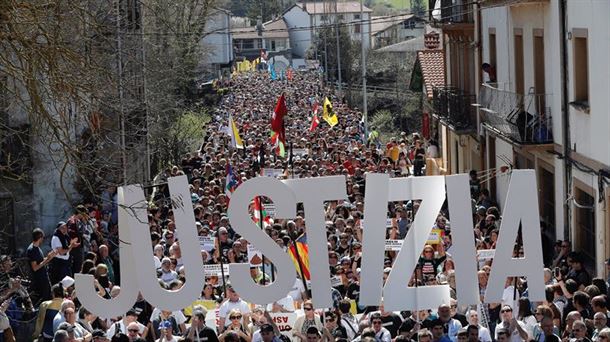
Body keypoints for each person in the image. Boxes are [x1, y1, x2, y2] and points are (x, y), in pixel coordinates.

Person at [27, 228, 57, 302]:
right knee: (44, 301)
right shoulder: (32, 250)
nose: (43, 239)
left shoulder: (37, 248)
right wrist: (47, 259)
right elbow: (35, 268)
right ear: (40, 237)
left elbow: (40, 261)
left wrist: (49, 257)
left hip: (44, 277)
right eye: (43, 237)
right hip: (39, 280)